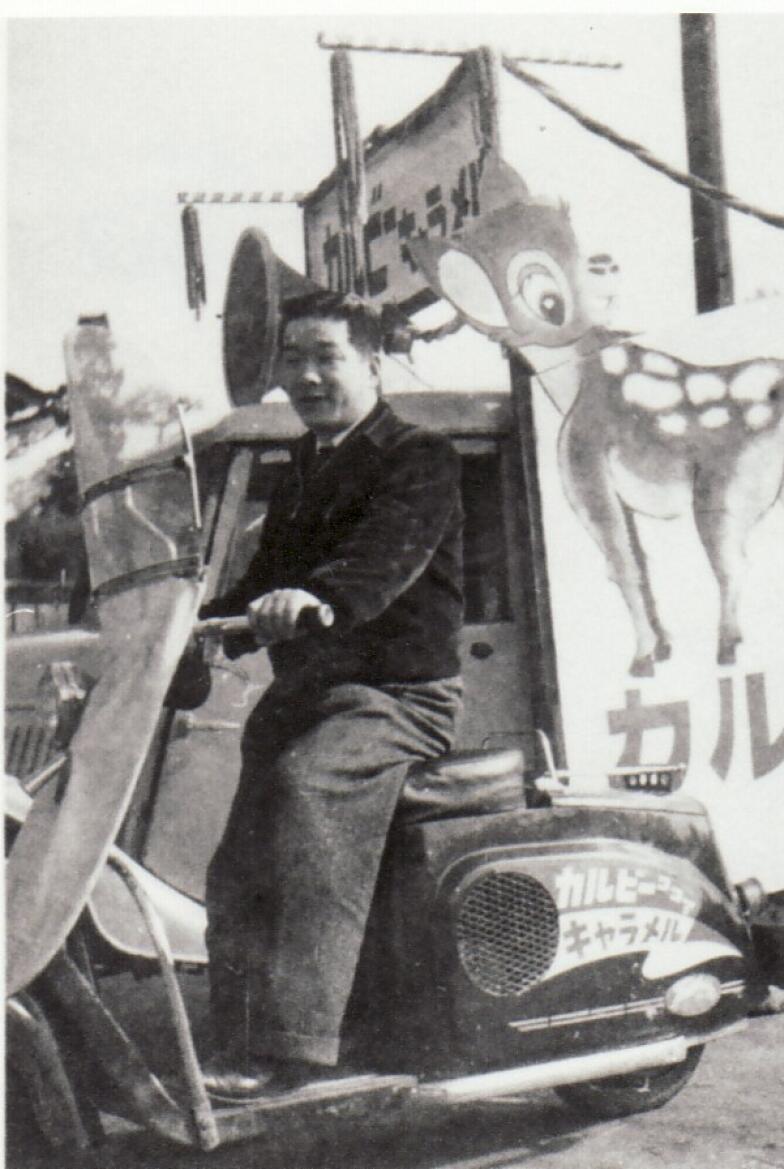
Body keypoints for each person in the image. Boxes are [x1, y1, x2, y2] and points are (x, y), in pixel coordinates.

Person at [199, 289, 464, 1097]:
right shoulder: (305, 466)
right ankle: (238, 1042)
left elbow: (383, 562)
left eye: (328, 357)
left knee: (306, 793)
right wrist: (196, 624)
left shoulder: (418, 456)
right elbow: (259, 580)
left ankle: (301, 1049)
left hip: (398, 696)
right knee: (234, 854)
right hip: (317, 694)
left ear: (373, 363)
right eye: (295, 360)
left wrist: (319, 599)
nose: (308, 376)